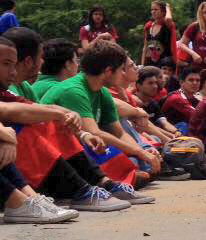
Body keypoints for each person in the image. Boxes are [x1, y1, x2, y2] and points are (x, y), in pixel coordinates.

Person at [0, 35, 149, 208]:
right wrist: (141, 152)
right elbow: (8, 111)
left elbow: (118, 130)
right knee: (27, 126)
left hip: (43, 157)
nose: (42, 62)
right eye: (6, 64)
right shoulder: (73, 89)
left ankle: (97, 184)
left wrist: (79, 130)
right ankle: (73, 191)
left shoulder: (17, 88)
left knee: (56, 123)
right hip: (33, 157)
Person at [41, 40, 163, 179]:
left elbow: (119, 133)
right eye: (121, 70)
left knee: (137, 160)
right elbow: (93, 132)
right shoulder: (74, 90)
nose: (123, 74)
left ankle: (127, 173)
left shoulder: (102, 91)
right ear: (108, 71)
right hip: (59, 155)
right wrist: (140, 153)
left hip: (83, 149)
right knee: (132, 161)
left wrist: (142, 151)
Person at [141, 1, 178, 69]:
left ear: (163, 12)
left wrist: (167, 7)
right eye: (152, 10)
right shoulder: (148, 26)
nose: (153, 12)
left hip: (164, 64)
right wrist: (142, 64)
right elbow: (145, 47)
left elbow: (168, 19)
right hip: (150, 62)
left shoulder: (167, 25)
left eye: (156, 9)